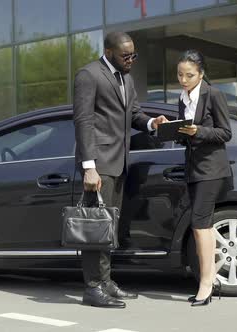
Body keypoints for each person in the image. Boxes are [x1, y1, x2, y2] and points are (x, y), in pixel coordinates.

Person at [73, 31, 167, 309]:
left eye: (134, 55)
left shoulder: (125, 78)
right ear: (109, 52)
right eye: (126, 56)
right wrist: (89, 167)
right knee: (95, 228)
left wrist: (152, 124)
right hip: (99, 164)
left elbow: (134, 114)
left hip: (119, 162)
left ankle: (105, 282)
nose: (131, 61)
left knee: (109, 228)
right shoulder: (88, 75)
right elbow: (83, 121)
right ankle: (92, 288)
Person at [175, 50, 233, 307]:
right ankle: (211, 279)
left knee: (199, 224)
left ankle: (206, 284)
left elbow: (225, 133)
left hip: (211, 169)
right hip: (193, 169)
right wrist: (174, 128)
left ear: (201, 74)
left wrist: (198, 131)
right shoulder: (182, 97)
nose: (184, 80)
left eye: (189, 75)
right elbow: (185, 135)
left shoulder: (214, 94)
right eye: (180, 75)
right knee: (204, 225)